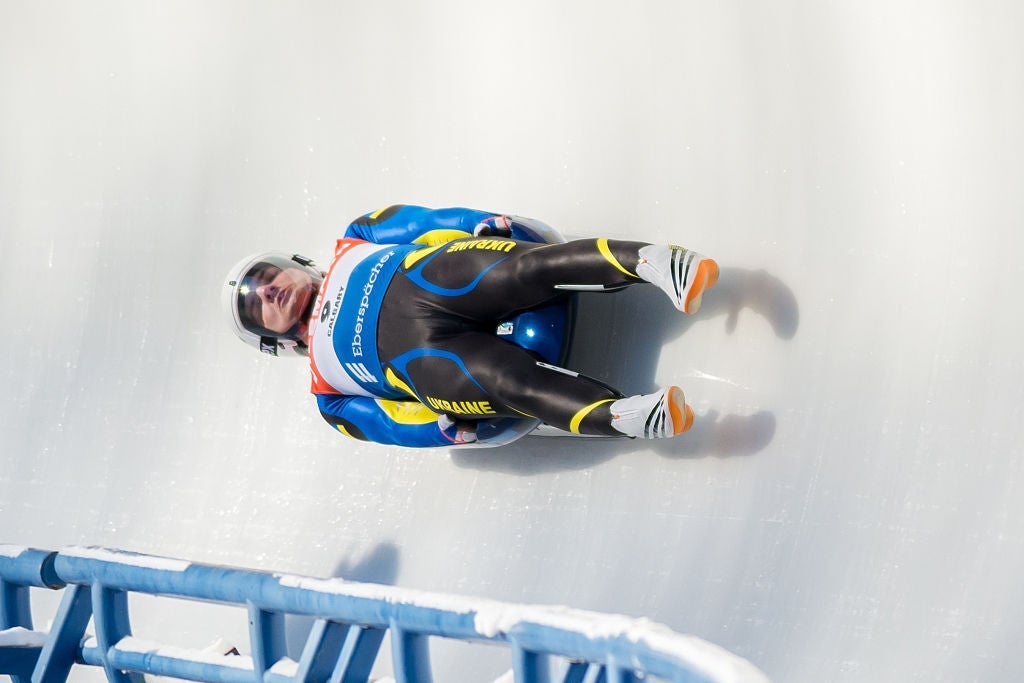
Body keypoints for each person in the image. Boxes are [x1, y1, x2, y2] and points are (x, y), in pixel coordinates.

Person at [223, 205, 718, 447]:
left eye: (266, 276)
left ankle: (656, 263)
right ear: (272, 339)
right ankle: (625, 417)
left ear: (293, 262)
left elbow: (429, 225)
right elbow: (395, 425)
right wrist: (446, 430)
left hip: (431, 280)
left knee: (528, 269)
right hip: (426, 360)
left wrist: (483, 226)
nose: (268, 290)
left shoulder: (358, 236)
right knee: (508, 383)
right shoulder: (329, 397)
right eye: (257, 304)